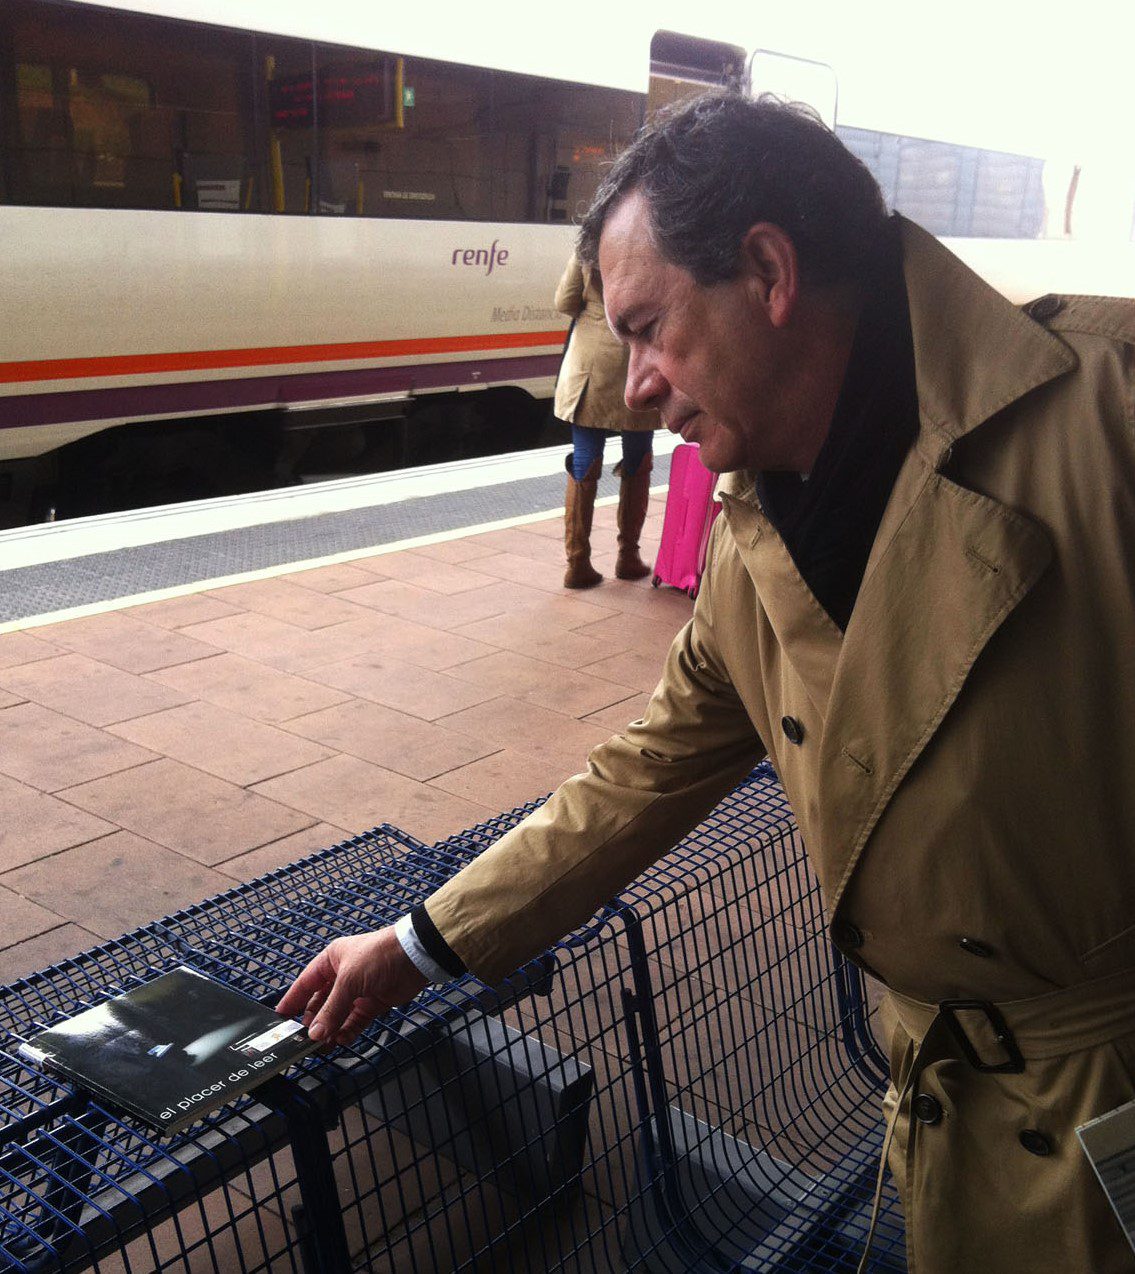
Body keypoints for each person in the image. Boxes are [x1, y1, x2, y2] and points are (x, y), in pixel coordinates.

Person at [278, 91, 1135, 1273]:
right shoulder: (749, 542)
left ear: (769, 272)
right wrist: (417, 942)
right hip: (947, 1114)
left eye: (647, 328)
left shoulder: (1108, 417)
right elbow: (645, 771)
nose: (632, 383)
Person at [553, 251, 659, 588]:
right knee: (638, 458)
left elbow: (565, 302)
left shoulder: (588, 243)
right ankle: (628, 556)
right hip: (636, 360)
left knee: (585, 459)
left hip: (592, 364)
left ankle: (577, 562)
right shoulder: (649, 237)